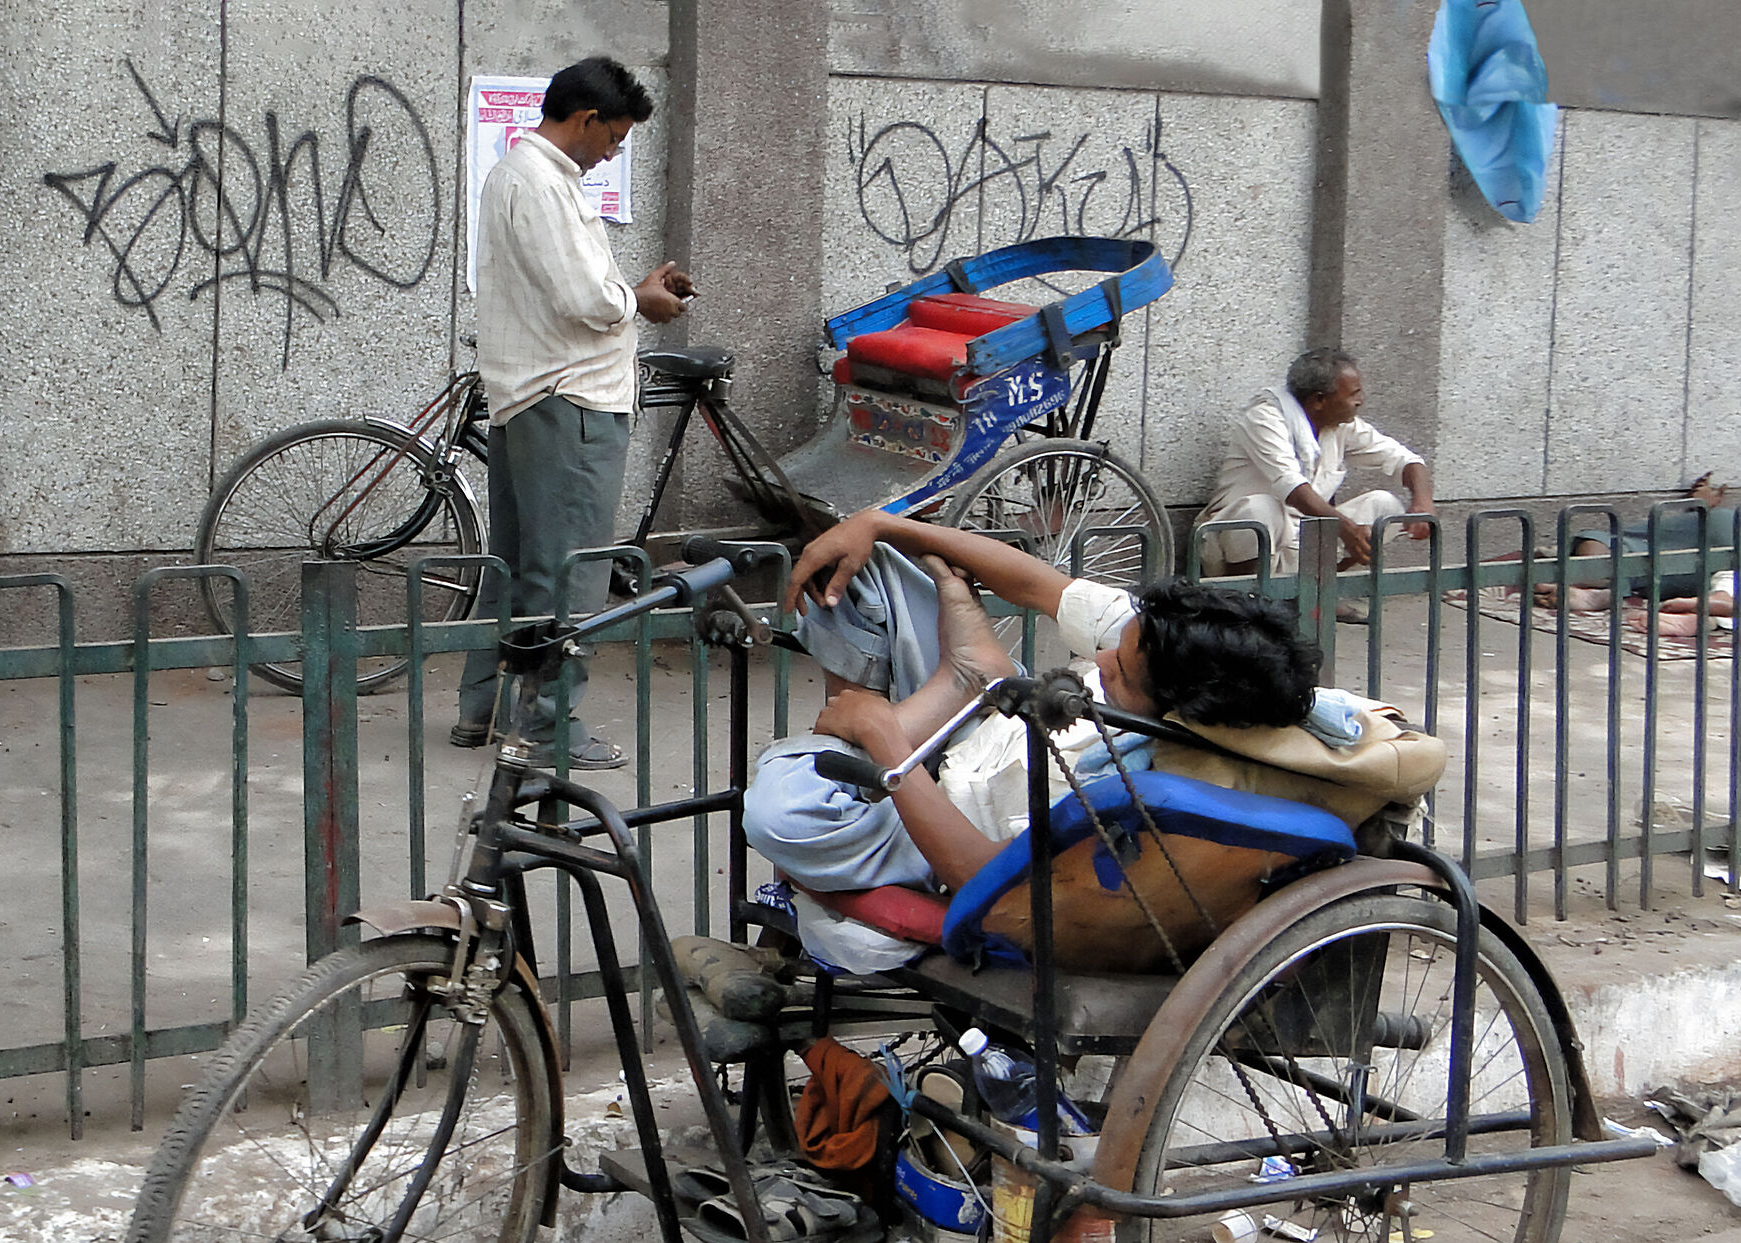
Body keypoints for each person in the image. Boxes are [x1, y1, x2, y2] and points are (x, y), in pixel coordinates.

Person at [747, 509, 1340, 971]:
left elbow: (989, 879)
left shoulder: (1151, 778)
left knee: (784, 814)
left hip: (945, 813)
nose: (1101, 658)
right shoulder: (1175, 645)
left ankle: (912, 714)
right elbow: (1039, 585)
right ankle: (958, 687)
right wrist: (878, 524)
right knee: (865, 566)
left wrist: (888, 745)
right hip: (994, 719)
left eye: (1121, 672)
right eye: (1117, 645)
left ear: (1181, 714)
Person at [451, 56, 694, 770]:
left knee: (519, 567)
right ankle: (547, 727)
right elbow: (585, 301)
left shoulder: (523, 177)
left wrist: (632, 286)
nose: (613, 153)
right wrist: (640, 302)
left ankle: (485, 709)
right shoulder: (540, 182)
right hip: (572, 403)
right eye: (613, 138)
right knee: (570, 575)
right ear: (585, 120)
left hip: (531, 397)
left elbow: (579, 285)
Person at [1196, 349, 1436, 605]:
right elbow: (1293, 487)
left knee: (1385, 507)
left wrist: (1422, 502)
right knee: (1262, 508)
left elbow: (1406, 460)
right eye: (1354, 394)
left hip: (1301, 541)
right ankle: (1241, 603)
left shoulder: (1341, 424)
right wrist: (1346, 529)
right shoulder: (1264, 418)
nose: (1361, 401)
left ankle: (1312, 596)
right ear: (1319, 400)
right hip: (1236, 544)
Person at [1530, 477, 1741, 637]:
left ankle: (1710, 614)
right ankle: (1717, 607)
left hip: (1721, 551)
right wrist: (1703, 503)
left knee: (1619, 551)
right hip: (1739, 543)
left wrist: (1703, 501)